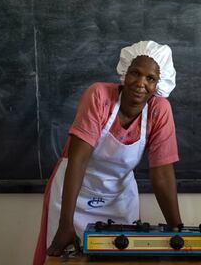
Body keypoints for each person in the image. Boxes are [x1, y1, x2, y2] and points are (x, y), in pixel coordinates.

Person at [33, 41, 182, 265]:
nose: (141, 83)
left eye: (150, 78)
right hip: (74, 195)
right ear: (125, 72)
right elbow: (79, 160)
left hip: (119, 200)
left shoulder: (159, 110)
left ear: (159, 84)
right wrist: (66, 224)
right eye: (135, 73)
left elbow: (162, 174)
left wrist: (178, 231)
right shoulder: (100, 96)